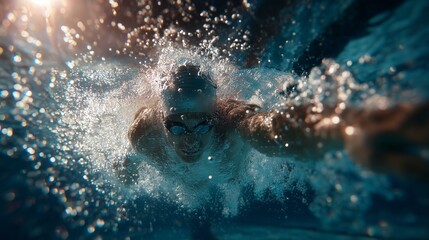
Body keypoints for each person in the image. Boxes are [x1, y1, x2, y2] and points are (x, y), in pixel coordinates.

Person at [115, 64, 429, 184]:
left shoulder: (231, 118)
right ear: (161, 118)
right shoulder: (144, 134)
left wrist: (343, 129)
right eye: (176, 126)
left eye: (204, 123)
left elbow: (268, 128)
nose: (191, 138)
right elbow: (127, 160)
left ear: (217, 116)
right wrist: (125, 169)